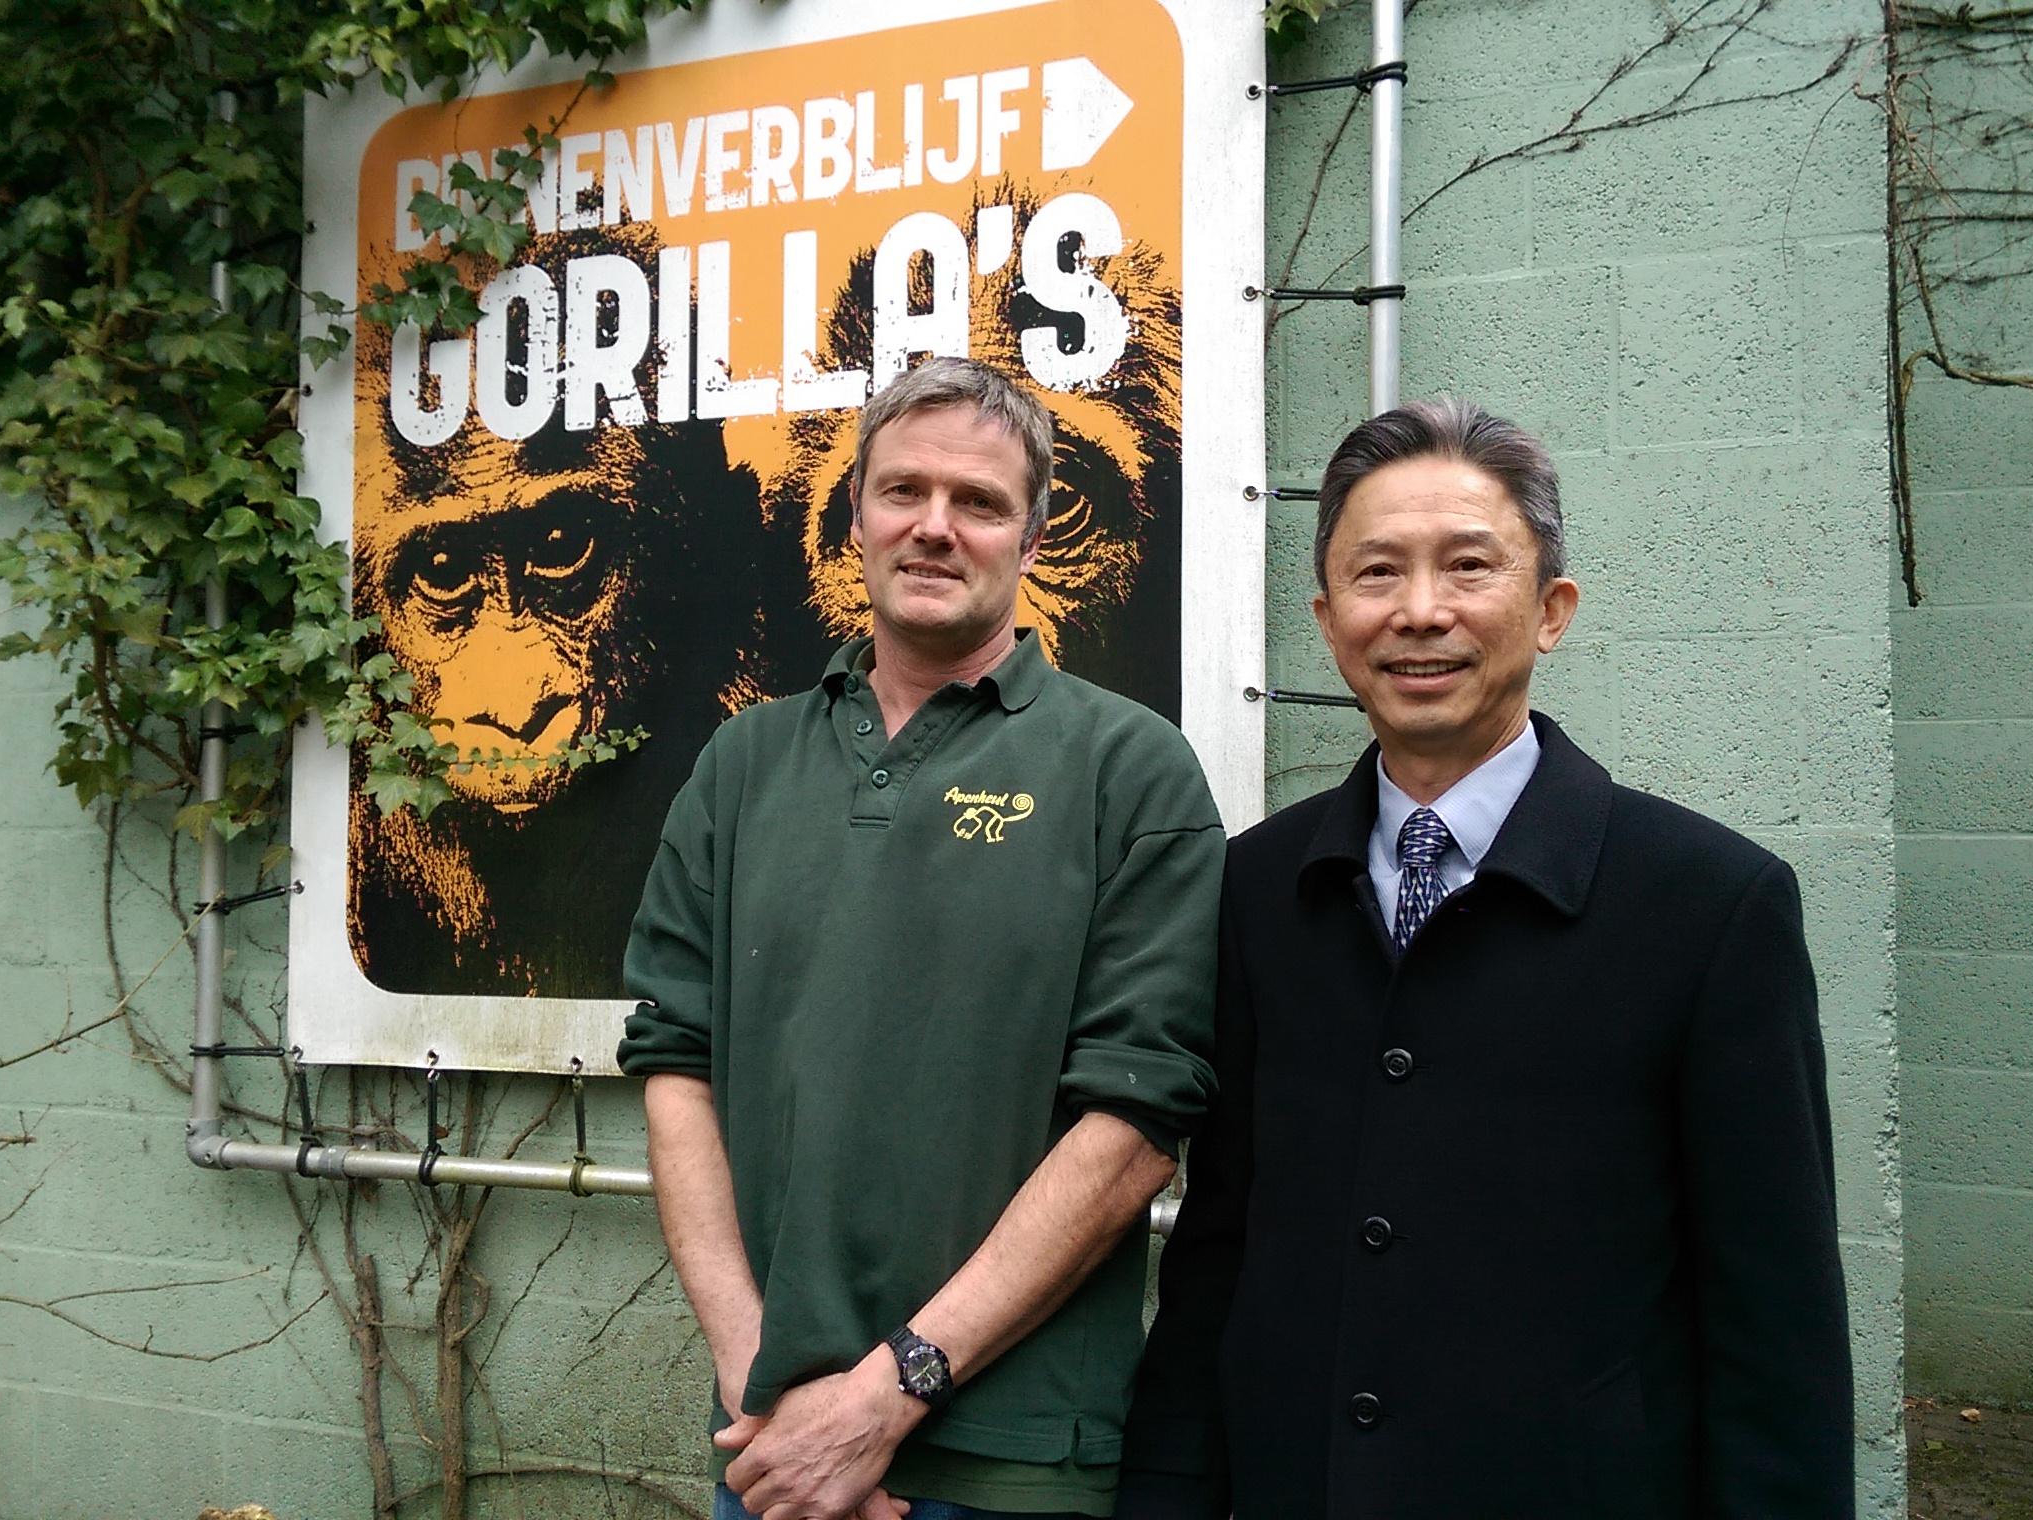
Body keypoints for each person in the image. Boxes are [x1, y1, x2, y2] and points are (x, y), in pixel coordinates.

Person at [1116, 399, 1855, 1518]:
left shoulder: (1712, 905)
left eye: (1469, 566)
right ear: (1326, 617)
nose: (1421, 612)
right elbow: (1218, 1256)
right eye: (1376, 574)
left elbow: (1776, 1328)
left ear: (1552, 608)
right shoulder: (1258, 888)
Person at [620, 356, 1225, 1520]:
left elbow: (1140, 1122)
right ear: (855, 516)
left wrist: (887, 1392)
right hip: (775, 1456)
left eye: (981, 502)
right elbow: (673, 1063)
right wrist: (773, 1385)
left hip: (1012, 1465)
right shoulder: (741, 765)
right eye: (903, 491)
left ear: (1033, 537)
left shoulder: (1129, 770)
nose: (934, 527)